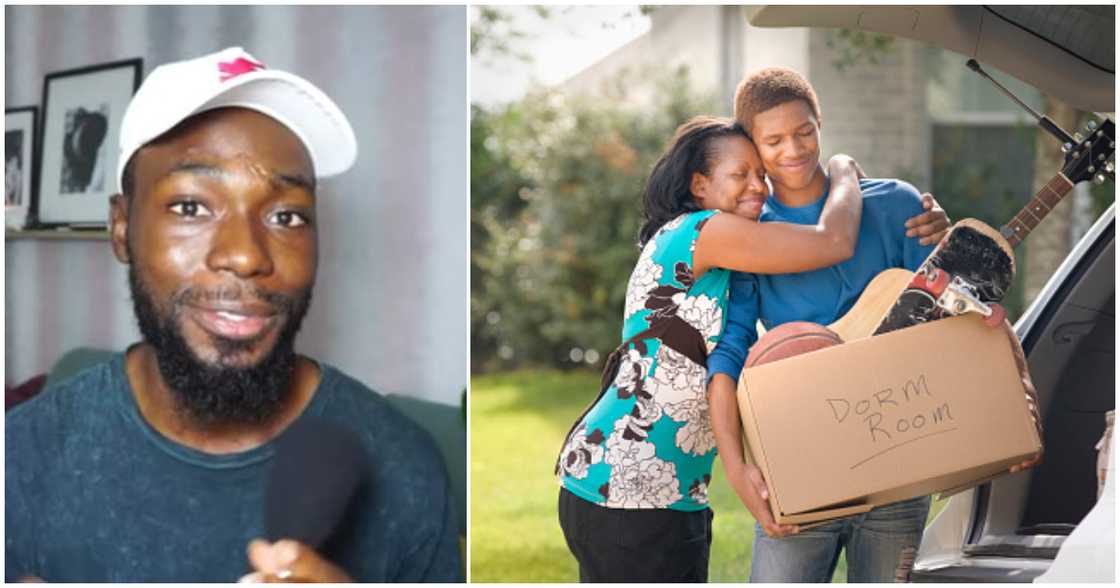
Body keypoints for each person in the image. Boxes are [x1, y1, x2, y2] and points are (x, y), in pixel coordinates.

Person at [5, 47, 461, 583]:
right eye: (192, 207)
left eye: (286, 215)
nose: (246, 255)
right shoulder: (22, 454)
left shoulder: (405, 466)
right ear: (122, 229)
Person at [554, 115, 949, 582]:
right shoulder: (706, 231)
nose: (757, 187)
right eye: (740, 175)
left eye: (759, 174)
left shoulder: (730, 259)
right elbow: (833, 240)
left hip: (670, 487)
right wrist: (843, 169)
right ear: (700, 185)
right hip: (624, 487)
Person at [706, 66, 1041, 583]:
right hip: (803, 455)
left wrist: (1010, 415)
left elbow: (955, 315)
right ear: (752, 145)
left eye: (804, 132)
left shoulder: (898, 205)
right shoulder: (752, 233)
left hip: (901, 458)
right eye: (773, 141)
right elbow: (729, 349)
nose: (793, 150)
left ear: (821, 123)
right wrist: (736, 465)